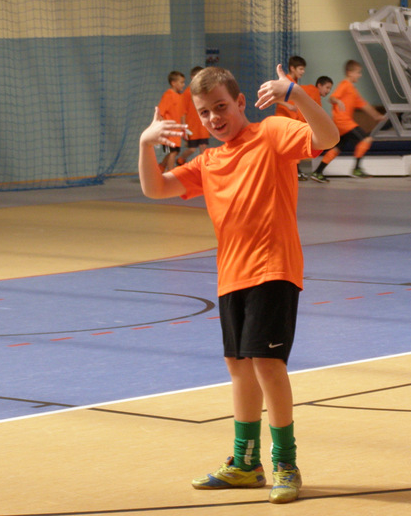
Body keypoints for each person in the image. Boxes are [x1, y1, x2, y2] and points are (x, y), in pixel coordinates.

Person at [138, 64, 339, 504]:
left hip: (274, 268)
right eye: (205, 112)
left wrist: (294, 94)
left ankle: (285, 463)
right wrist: (145, 144)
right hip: (231, 275)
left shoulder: (272, 133)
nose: (214, 118)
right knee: (239, 368)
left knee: (267, 365)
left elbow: (327, 138)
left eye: (221, 107)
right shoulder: (208, 162)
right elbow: (156, 189)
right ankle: (246, 464)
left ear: (241, 102)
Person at [310, 60, 385, 182]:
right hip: (343, 122)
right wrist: (338, 101)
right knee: (366, 139)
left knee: (337, 148)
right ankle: (356, 169)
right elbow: (332, 97)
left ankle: (317, 172)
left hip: (341, 124)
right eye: (358, 72)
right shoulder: (345, 84)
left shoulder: (353, 90)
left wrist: (377, 116)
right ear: (350, 73)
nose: (360, 75)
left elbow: (364, 105)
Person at [179, 66, 210, 163]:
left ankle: (203, 168)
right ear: (192, 77)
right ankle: (180, 160)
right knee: (192, 149)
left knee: (203, 148)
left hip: (203, 126)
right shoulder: (187, 92)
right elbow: (182, 111)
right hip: (192, 126)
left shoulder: (205, 92)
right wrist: (184, 127)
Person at [157, 70, 186, 171]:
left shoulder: (180, 96)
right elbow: (160, 113)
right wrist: (163, 129)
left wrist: (183, 128)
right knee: (172, 152)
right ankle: (170, 173)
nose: (183, 84)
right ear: (173, 83)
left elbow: (182, 114)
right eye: (181, 82)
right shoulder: (168, 95)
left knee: (175, 151)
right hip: (169, 132)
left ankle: (161, 166)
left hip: (176, 131)